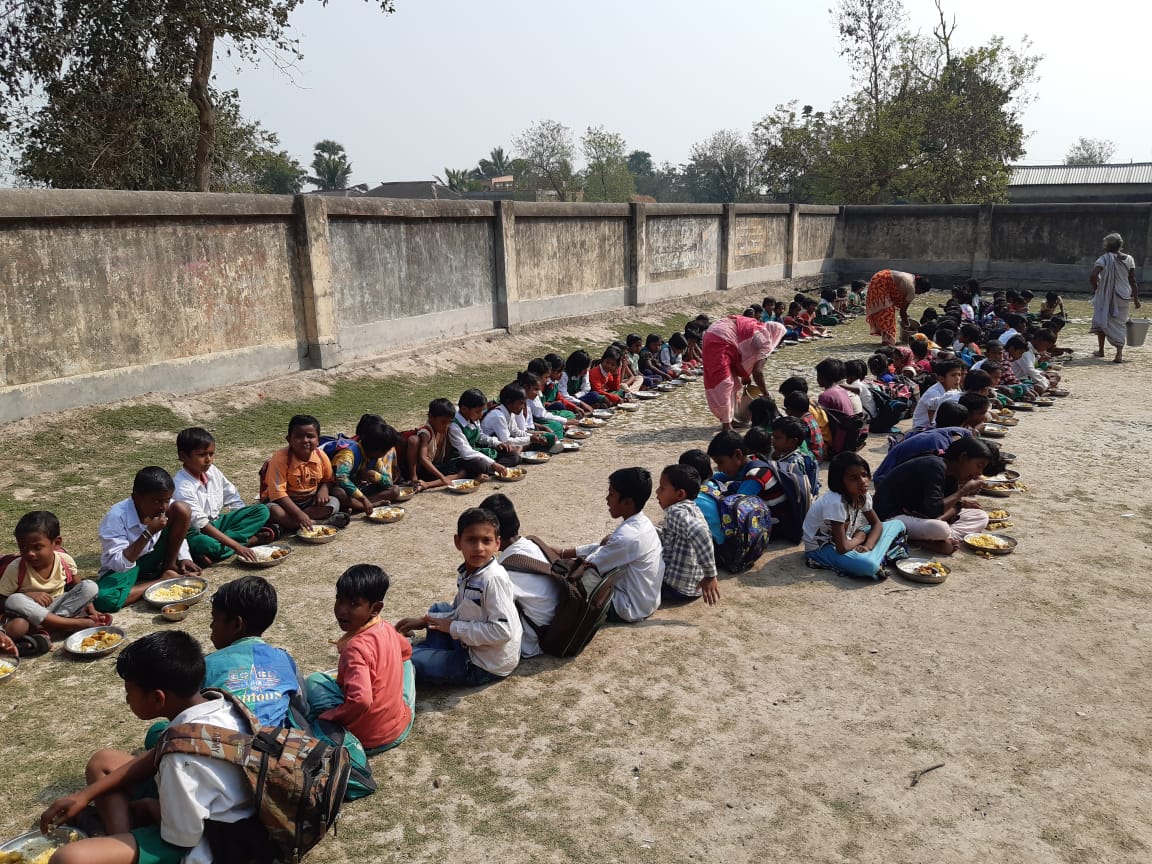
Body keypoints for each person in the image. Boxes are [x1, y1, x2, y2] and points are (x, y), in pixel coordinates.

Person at [39, 631, 259, 864]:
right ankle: (119, 840)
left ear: (157, 698)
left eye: (129, 693)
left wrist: (153, 808)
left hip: (209, 844)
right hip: (225, 813)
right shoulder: (222, 705)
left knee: (68, 858)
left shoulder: (179, 761)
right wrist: (83, 796)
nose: (127, 700)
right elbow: (156, 755)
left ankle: (120, 847)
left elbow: (185, 837)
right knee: (103, 761)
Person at [398, 507, 522, 685]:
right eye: (471, 540)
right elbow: (462, 611)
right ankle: (430, 654)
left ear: (497, 544)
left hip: (483, 664)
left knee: (404, 661)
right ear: (458, 542)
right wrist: (425, 621)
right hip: (471, 644)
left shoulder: (493, 579)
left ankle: (427, 656)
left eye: (486, 541)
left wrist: (453, 627)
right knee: (438, 609)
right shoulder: (469, 572)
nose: (479, 548)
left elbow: (502, 631)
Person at [305, 564, 414, 753]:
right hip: (399, 727)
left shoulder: (354, 648)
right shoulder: (387, 628)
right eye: (339, 600)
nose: (342, 610)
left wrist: (334, 715)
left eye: (354, 604)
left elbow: (361, 700)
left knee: (314, 681)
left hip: (366, 739)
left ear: (375, 608)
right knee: (407, 665)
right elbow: (406, 652)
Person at [555, 467, 663, 623]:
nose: (607, 498)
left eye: (611, 494)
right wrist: (564, 552)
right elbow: (606, 548)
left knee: (567, 586)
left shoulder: (627, 536)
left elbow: (589, 566)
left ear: (627, 502)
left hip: (629, 606)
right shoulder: (642, 523)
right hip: (647, 600)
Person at [96, 467, 199, 613]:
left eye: (167, 500)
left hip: (154, 556)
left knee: (182, 509)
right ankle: (163, 580)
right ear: (136, 497)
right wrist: (149, 532)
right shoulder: (116, 517)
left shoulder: (164, 508)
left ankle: (169, 567)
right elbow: (118, 563)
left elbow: (176, 528)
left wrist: (184, 556)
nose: (163, 507)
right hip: (127, 565)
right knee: (103, 599)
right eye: (157, 501)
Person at [204, 575, 303, 727]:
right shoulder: (284, 658)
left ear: (237, 624)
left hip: (224, 740)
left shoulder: (207, 664)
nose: (211, 626)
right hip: (279, 740)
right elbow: (301, 706)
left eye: (215, 619)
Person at [872, 437, 992, 556]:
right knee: (941, 529)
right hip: (891, 517)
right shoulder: (935, 466)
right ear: (963, 458)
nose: (980, 473)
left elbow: (949, 507)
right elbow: (934, 510)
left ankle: (940, 538)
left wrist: (957, 503)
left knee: (980, 516)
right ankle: (924, 540)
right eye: (979, 466)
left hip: (920, 513)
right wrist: (962, 492)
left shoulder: (953, 472)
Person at [1, 511, 101, 651]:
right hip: (30, 614)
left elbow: (78, 586)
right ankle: (70, 625)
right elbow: (3, 600)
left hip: (58, 608)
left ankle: (47, 628)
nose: (30, 553)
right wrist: (28, 595)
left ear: (57, 543)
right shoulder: (16, 568)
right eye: (23, 548)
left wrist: (91, 610)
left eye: (37, 547)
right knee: (15, 601)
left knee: (90, 586)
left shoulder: (65, 561)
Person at [174, 427, 272, 565]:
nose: (208, 460)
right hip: (196, 532)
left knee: (262, 510)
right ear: (183, 456)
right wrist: (237, 546)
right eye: (202, 455)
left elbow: (232, 496)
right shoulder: (182, 486)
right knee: (205, 543)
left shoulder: (212, 471)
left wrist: (241, 518)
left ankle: (220, 549)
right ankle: (251, 541)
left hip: (217, 523)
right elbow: (202, 525)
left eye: (211, 454)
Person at [480, 493, 561, 659]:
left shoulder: (505, 571)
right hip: (557, 624)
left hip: (533, 641)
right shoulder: (532, 544)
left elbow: (485, 611)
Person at [802, 453, 907, 580]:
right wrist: (859, 538)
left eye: (864, 475)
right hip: (822, 548)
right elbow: (842, 548)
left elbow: (877, 524)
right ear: (840, 481)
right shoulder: (836, 502)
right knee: (869, 566)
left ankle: (874, 555)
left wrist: (867, 546)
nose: (863, 481)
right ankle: (879, 557)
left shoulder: (862, 494)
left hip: (847, 539)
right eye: (853, 478)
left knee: (897, 524)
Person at [259, 415, 349, 533]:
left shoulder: (321, 456)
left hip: (309, 502)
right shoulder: (280, 459)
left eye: (310, 436)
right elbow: (278, 494)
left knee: (334, 502)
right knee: (272, 511)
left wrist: (324, 489)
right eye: (299, 436)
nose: (305, 440)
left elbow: (329, 479)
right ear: (289, 439)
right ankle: (322, 522)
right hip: (283, 503)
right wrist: (299, 514)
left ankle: (292, 524)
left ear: (318, 440)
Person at [701, 314, 787, 430]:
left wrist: (744, 375)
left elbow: (742, 353)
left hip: (714, 332)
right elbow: (757, 373)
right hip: (721, 339)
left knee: (730, 381)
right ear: (777, 336)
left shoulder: (758, 329)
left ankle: (728, 419)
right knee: (724, 383)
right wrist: (766, 394)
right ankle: (726, 425)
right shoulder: (766, 340)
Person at [654, 465, 719, 606]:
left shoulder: (676, 512)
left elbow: (700, 533)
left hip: (676, 588)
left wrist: (710, 575)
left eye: (662, 488)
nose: (657, 491)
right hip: (694, 587)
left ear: (680, 494)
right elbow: (668, 534)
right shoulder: (692, 507)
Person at [323, 416, 404, 514]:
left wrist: (375, 475)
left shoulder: (374, 458)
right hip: (346, 491)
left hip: (359, 490)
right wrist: (363, 498)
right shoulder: (349, 454)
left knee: (395, 490)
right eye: (386, 451)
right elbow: (341, 479)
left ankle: (358, 505)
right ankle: (365, 505)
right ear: (379, 450)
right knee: (339, 492)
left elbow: (389, 482)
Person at [448, 389, 515, 478]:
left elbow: (480, 436)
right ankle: (490, 469)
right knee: (480, 465)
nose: (480, 415)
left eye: (482, 411)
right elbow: (466, 452)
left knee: (513, 455)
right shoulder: (454, 426)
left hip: (476, 451)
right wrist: (493, 463)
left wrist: (497, 443)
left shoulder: (473, 419)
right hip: (462, 458)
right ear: (464, 409)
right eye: (477, 412)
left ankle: (490, 470)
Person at [864, 270, 933, 346]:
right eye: (921, 292)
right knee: (887, 314)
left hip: (879, 276)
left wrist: (905, 319)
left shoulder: (912, 278)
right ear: (920, 287)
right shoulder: (911, 290)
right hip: (881, 282)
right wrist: (907, 325)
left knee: (885, 311)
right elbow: (902, 312)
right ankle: (888, 343)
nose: (919, 294)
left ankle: (886, 340)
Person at [403, 398, 458, 490]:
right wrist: (442, 477)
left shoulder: (445, 430)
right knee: (414, 440)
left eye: (449, 422)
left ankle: (427, 484)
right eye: (443, 422)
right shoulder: (426, 433)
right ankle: (422, 482)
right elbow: (423, 458)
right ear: (431, 417)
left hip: (436, 466)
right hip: (423, 469)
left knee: (461, 472)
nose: (446, 425)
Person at [771, 416, 820, 496]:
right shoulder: (797, 456)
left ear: (793, 441)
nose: (773, 441)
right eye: (773, 437)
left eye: (777, 438)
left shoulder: (791, 465)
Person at [909, 359, 964, 430]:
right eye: (953, 375)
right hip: (922, 429)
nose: (957, 378)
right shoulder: (934, 393)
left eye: (959, 374)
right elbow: (933, 421)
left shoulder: (955, 388)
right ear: (941, 379)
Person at [783, 390, 827, 462]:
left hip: (813, 457)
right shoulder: (810, 417)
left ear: (789, 410)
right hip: (820, 453)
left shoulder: (802, 423)